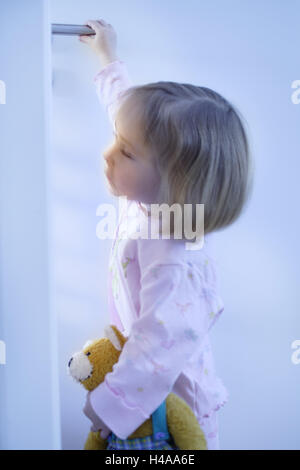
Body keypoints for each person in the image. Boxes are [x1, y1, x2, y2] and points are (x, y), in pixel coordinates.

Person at [79, 19, 254, 450]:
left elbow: (160, 346)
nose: (108, 152)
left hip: (172, 418)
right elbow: (128, 113)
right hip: (149, 399)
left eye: (124, 151)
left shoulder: (175, 254)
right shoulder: (150, 194)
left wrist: (108, 406)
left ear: (173, 180)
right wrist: (107, 59)